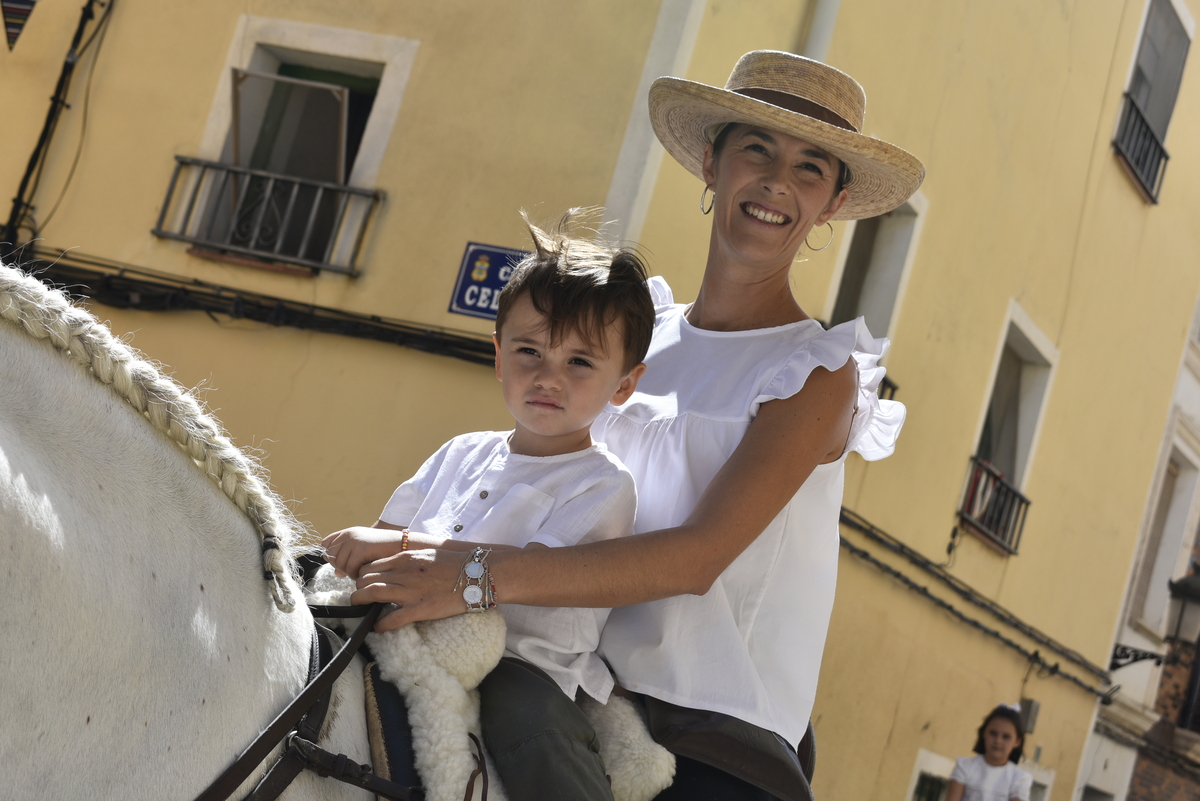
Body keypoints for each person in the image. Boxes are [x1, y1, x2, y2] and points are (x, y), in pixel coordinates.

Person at [327, 50, 924, 800]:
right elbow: (542, 490)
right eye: (756, 149)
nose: (776, 181)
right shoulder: (628, 342)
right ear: (712, 162)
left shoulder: (815, 371)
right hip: (568, 685)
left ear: (832, 204)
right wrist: (410, 546)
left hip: (713, 734)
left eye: (811, 167)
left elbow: (697, 557)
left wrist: (472, 574)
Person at [326, 213, 655, 801]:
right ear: (499, 355)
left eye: (580, 361)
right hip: (414, 634)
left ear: (624, 385)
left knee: (529, 727)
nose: (548, 376)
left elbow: (523, 570)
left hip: (520, 666)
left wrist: (399, 546)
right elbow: (385, 535)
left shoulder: (603, 484)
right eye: (530, 350)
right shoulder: (460, 452)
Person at [946, 705, 1033, 801]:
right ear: (984, 733)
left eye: (1006, 737)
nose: (998, 741)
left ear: (1017, 742)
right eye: (993, 733)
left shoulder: (1019, 778)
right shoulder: (964, 766)